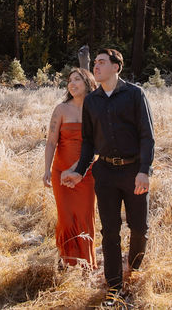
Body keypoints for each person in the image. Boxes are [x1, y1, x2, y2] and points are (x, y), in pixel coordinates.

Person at [61, 48, 154, 301]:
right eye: (96, 63)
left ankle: (133, 271)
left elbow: (147, 136)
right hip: (106, 174)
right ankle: (113, 287)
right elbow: (88, 142)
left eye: (102, 62)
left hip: (134, 171)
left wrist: (144, 171)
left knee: (139, 228)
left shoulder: (135, 94)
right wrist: (79, 171)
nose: (96, 67)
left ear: (116, 67)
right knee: (110, 232)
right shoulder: (92, 101)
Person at [44, 67, 98, 268]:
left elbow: (99, 144)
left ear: (88, 83)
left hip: (87, 171)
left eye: (78, 79)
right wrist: (47, 170)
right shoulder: (61, 109)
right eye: (70, 80)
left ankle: (86, 264)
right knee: (66, 217)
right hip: (61, 171)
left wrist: (80, 167)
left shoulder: (95, 109)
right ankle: (67, 263)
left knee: (85, 216)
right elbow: (51, 142)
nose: (72, 83)